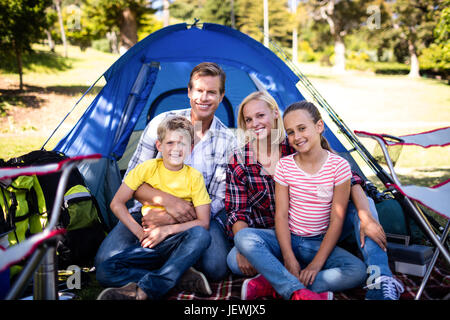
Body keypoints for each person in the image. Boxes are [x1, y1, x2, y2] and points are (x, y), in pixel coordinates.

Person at [226, 92, 404, 300]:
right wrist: (244, 248)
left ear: (275, 114)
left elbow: (353, 179)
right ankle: (294, 284)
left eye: (260, 115)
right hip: (276, 236)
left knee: (366, 206)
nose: (255, 123)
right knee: (234, 259)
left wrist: (365, 216)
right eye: (248, 119)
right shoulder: (239, 159)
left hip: (322, 229)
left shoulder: (295, 144)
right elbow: (237, 212)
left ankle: (380, 279)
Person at [94, 62, 237, 290]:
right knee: (104, 260)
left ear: (221, 96)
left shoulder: (228, 141)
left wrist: (175, 218)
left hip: (200, 216)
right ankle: (178, 275)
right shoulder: (161, 123)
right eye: (199, 90)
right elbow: (131, 179)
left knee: (216, 268)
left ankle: (163, 266)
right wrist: (165, 203)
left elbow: (219, 198)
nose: (204, 97)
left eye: (212, 92)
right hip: (147, 212)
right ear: (189, 92)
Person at [96, 116, 212, 300]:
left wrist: (167, 230)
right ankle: (176, 278)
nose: (175, 149)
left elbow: (203, 222)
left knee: (201, 235)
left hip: (178, 244)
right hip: (149, 244)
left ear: (190, 148)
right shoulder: (146, 169)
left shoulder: (194, 177)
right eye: (170, 142)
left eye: (182, 144)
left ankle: (147, 289)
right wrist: (139, 233)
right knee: (104, 271)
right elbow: (116, 203)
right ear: (159, 146)